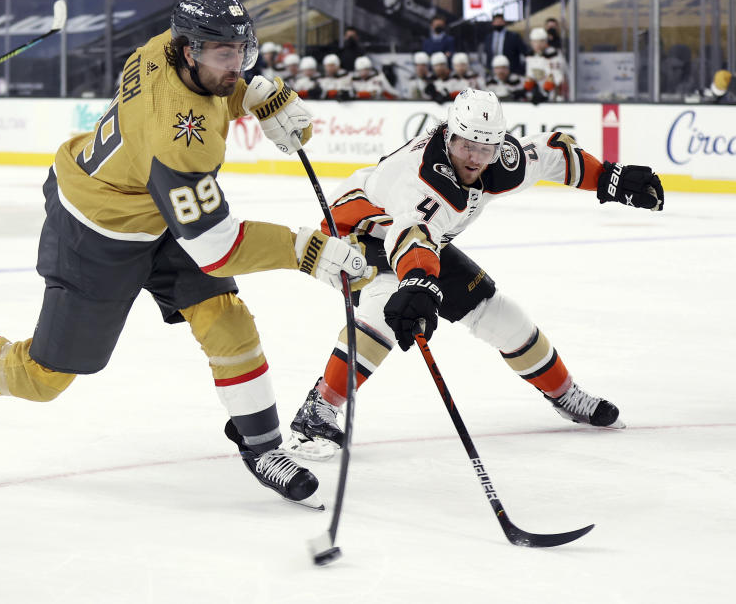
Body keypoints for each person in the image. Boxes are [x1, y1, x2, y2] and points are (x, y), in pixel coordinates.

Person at [0, 0, 371, 509]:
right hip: (96, 230)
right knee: (44, 378)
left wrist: (258, 97)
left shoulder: (165, 46)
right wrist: (307, 252)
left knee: (226, 318)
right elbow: (218, 248)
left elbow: (220, 91)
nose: (238, 64)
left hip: (153, 208)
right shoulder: (178, 135)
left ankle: (262, 448)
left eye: (244, 50)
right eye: (226, 55)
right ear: (191, 50)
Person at [283, 89, 665, 460]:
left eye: (485, 149)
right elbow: (409, 235)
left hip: (419, 239)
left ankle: (565, 395)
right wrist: (418, 280)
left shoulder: (501, 161)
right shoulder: (424, 183)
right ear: (448, 136)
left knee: (502, 317)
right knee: (385, 306)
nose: (475, 158)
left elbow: (552, 154)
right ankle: (318, 410)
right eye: (467, 145)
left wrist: (608, 178)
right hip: (357, 231)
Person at [525, 27, 568, 102]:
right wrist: (526, 92)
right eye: (535, 42)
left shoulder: (554, 54)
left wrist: (544, 94)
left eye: (541, 41)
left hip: (556, 96)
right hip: (541, 94)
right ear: (531, 42)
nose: (538, 44)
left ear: (546, 42)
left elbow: (556, 79)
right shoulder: (530, 56)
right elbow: (530, 78)